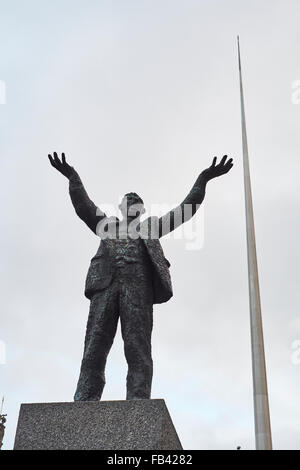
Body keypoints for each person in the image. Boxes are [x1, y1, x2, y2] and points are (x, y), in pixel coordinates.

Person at [48, 152, 233, 400]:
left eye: (137, 200)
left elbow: (185, 209)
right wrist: (72, 177)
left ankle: (138, 402)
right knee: (94, 347)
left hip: (137, 289)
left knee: (137, 349)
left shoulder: (151, 227)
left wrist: (203, 179)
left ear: (142, 209)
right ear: (122, 207)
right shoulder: (106, 225)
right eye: (129, 199)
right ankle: (85, 398)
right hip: (106, 286)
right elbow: (83, 206)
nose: (133, 201)